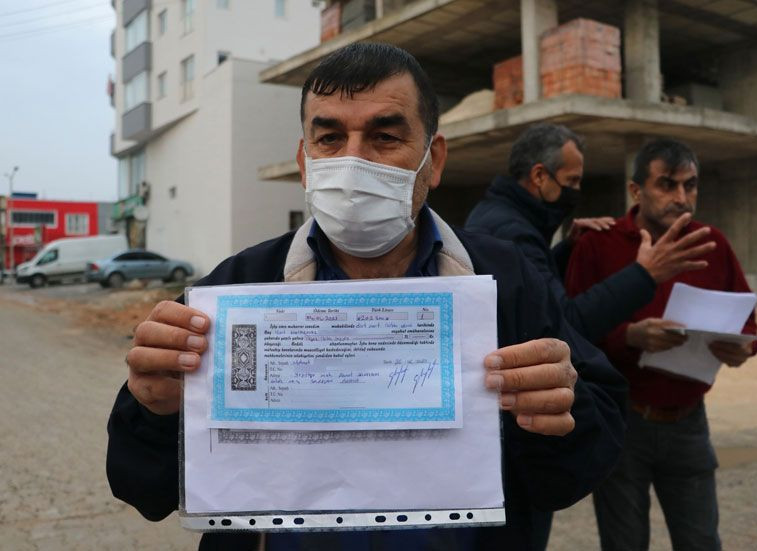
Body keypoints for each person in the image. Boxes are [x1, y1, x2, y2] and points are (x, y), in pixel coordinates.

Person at [106, 43, 627, 550]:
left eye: (384, 137)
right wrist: (152, 410)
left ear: (434, 158)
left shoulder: (506, 279)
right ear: (305, 161)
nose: (353, 164)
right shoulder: (235, 290)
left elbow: (578, 463)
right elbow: (143, 490)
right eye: (330, 138)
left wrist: (561, 408)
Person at [565, 138, 757, 551]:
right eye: (667, 185)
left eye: (690, 186)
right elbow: (570, 333)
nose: (681, 197)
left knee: (701, 540)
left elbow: (748, 323)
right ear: (636, 191)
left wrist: (742, 349)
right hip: (620, 421)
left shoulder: (713, 243)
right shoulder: (598, 244)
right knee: (624, 542)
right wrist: (629, 337)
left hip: (689, 422)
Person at [465, 123, 716, 344]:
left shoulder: (503, 217)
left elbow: (529, 281)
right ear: (539, 176)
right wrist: (644, 274)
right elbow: (565, 323)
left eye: (690, 185)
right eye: (572, 181)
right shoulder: (512, 231)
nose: (576, 191)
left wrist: (564, 250)